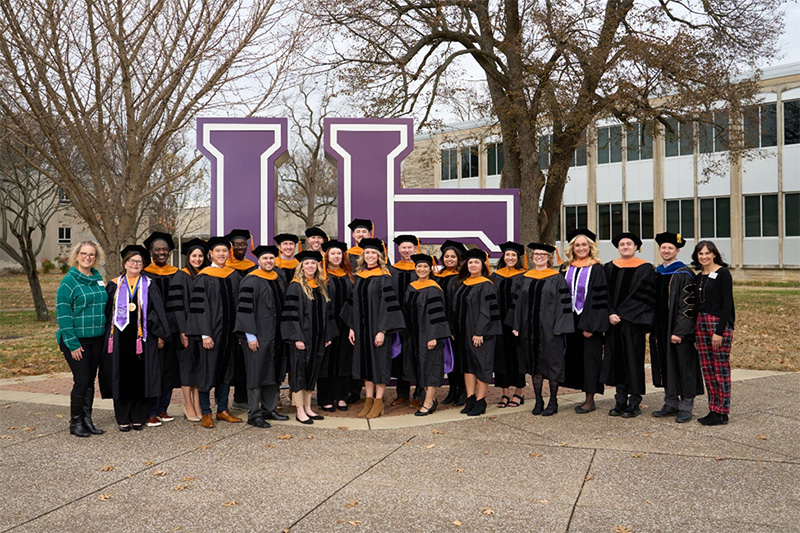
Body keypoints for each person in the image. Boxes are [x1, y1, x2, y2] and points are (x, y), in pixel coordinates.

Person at [104, 245, 169, 431]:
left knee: (142, 376)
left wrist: (160, 334)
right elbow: (108, 313)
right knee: (122, 376)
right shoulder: (114, 284)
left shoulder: (149, 284)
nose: (135, 264)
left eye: (139, 262)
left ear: (143, 265)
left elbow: (156, 311)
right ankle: (123, 417)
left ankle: (139, 415)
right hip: (119, 339)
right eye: (132, 261)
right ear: (125, 263)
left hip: (144, 339)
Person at [343, 238, 406, 419]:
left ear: (379, 257)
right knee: (365, 365)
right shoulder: (359, 276)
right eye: (367, 253)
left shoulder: (385, 278)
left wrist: (382, 331)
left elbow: (389, 306)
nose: (370, 256)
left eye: (373, 253)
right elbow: (353, 304)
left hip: (377, 329)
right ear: (363, 256)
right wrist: (352, 328)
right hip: (361, 330)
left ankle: (379, 402)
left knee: (379, 365)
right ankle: (368, 400)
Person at [509, 243, 574, 416]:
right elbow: (517, 304)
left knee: (552, 364)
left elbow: (564, 303)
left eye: (542, 255)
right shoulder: (524, 278)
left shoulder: (557, 277)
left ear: (549, 258)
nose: (538, 257)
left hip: (550, 329)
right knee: (534, 363)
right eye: (536, 254)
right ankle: (538, 400)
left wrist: (561, 326)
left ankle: (553, 401)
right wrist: (516, 325)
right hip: (528, 328)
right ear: (531, 257)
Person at [186, 236, 243, 428]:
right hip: (211, 334)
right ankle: (205, 412)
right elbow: (199, 307)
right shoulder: (204, 276)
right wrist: (205, 334)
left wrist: (239, 332)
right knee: (207, 372)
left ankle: (222, 410)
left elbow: (239, 306)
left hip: (229, 335)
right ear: (211, 254)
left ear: (229, 254)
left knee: (226, 372)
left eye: (224, 251)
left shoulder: (234, 275)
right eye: (218, 251)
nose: (221, 254)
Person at [650, 232, 704, 423]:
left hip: (678, 330)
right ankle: (671, 403)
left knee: (683, 365)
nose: (666, 251)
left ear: (677, 250)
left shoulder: (684, 273)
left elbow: (688, 306)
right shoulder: (657, 272)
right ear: (659, 250)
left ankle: (686, 406)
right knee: (666, 364)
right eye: (663, 248)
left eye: (670, 248)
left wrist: (680, 331)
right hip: (660, 329)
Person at [56, 241, 109, 437]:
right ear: (77, 256)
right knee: (82, 380)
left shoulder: (97, 278)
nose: (88, 257)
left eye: (92, 254)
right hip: (77, 340)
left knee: (90, 382)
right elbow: (63, 314)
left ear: (96, 258)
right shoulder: (69, 281)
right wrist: (72, 343)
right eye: (84, 254)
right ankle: (75, 422)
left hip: (97, 339)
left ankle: (87, 419)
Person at [601, 232, 656, 418]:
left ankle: (634, 402)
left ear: (636, 247)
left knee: (633, 361)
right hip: (613, 324)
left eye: (629, 244)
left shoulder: (646, 268)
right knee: (616, 360)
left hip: (634, 323)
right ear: (618, 247)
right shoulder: (609, 267)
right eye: (622, 244)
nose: (625, 246)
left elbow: (644, 297)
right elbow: (603, 294)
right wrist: (610, 312)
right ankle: (619, 400)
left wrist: (621, 314)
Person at [234, 245, 288, 428]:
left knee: (273, 372)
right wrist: (250, 336)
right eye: (265, 258)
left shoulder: (278, 278)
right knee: (256, 373)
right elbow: (244, 310)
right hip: (258, 335)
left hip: (276, 335)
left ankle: (269, 409)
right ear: (259, 260)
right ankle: (254, 413)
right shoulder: (250, 281)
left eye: (271, 258)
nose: (269, 261)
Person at [281, 250, 338, 424]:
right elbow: (290, 315)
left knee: (312, 372)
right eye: (307, 263)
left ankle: (307, 407)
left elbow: (328, 313)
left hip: (318, 338)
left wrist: (327, 335)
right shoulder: (295, 286)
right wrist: (296, 337)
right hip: (302, 338)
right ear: (301, 266)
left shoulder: (320, 285)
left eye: (313, 263)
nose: (310, 266)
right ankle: (299, 409)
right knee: (299, 373)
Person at [560, 229, 609, 414]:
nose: (581, 248)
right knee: (575, 357)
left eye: (584, 245)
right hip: (569, 320)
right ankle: (581, 392)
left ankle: (590, 399)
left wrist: (591, 325)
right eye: (577, 245)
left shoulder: (596, 268)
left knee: (591, 359)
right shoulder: (566, 268)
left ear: (590, 247)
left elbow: (599, 298)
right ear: (572, 247)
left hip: (589, 321)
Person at [453, 248, 502, 416]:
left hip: (478, 333)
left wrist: (480, 331)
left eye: (476, 262)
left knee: (481, 365)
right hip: (463, 333)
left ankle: (481, 401)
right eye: (471, 262)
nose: (473, 265)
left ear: (483, 265)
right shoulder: (463, 283)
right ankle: (470, 398)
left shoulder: (486, 285)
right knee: (468, 366)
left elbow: (487, 310)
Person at [404, 254, 452, 416]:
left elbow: (438, 314)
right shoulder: (412, 286)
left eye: (425, 267)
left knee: (430, 367)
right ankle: (428, 398)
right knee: (421, 367)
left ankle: (429, 401)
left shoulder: (433, 288)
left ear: (430, 269)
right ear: (415, 268)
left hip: (429, 335)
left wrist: (433, 336)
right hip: (415, 335)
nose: (422, 269)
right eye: (419, 267)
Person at [693, 240, 735, 426]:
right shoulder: (699, 276)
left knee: (720, 368)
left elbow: (728, 304)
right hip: (701, 324)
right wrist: (695, 332)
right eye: (700, 254)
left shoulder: (723, 273)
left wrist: (719, 332)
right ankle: (713, 409)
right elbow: (696, 305)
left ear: (714, 254)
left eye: (707, 253)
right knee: (707, 369)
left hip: (718, 324)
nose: (704, 257)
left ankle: (722, 410)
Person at [142, 231, 180, 427]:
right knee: (153, 370)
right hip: (153, 330)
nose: (161, 252)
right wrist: (157, 331)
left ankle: (163, 408)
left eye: (165, 249)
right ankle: (150, 410)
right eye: (157, 249)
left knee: (169, 371)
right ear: (151, 252)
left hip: (172, 330)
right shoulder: (145, 275)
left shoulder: (176, 273)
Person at [168, 238, 207, 421]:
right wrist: (182, 331)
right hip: (187, 331)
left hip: (202, 330)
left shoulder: (206, 275)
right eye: (194, 256)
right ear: (188, 257)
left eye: (200, 256)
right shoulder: (181, 276)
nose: (197, 259)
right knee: (187, 367)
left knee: (199, 368)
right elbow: (176, 306)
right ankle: (188, 405)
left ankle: (198, 403)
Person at [318, 240, 355, 412]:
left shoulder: (348, 274)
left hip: (346, 324)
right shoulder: (321, 275)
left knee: (344, 360)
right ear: (326, 256)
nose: (336, 256)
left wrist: (352, 325)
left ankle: (341, 396)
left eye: (339, 253)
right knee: (327, 361)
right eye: (333, 253)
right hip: (327, 323)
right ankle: (326, 398)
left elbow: (354, 301)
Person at [491, 241, 527, 409]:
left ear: (517, 258)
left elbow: (524, 303)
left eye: (513, 255)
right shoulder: (496, 276)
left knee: (518, 357)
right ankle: (505, 393)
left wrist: (518, 323)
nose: (510, 258)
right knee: (501, 359)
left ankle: (519, 393)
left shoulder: (524, 276)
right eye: (507, 255)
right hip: (499, 325)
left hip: (515, 325)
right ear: (503, 257)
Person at [225, 229, 256, 410]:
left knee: (246, 360)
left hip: (247, 318)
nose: (240, 247)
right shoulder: (225, 268)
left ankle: (242, 397)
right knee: (232, 360)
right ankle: (227, 400)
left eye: (243, 244)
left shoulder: (252, 267)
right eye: (236, 244)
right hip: (229, 320)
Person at [389, 234, 421, 408]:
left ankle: (419, 393)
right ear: (399, 249)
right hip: (399, 321)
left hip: (418, 321)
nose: (407, 250)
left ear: (415, 249)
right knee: (401, 357)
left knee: (419, 356)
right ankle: (402, 394)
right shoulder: (393, 270)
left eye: (410, 247)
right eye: (404, 247)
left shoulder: (421, 269)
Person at [434, 240, 467, 406]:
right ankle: (452, 390)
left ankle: (463, 391)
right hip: (442, 325)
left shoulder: (463, 277)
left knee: (459, 359)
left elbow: (459, 305)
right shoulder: (438, 276)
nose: (449, 259)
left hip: (458, 326)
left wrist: (453, 327)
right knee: (449, 359)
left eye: (452, 256)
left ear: (459, 258)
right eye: (446, 256)